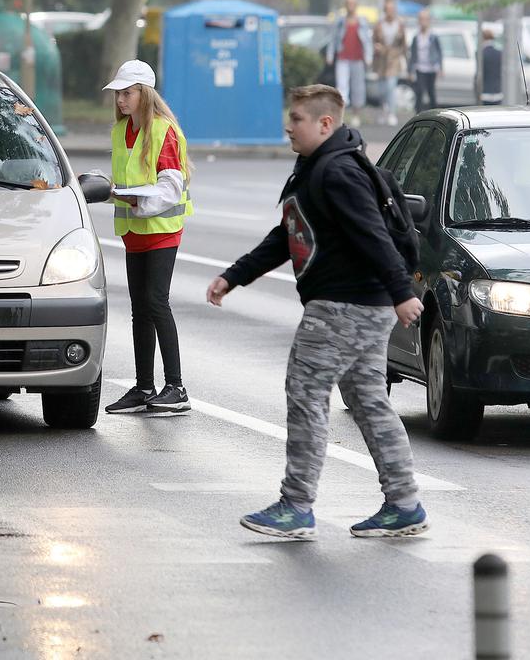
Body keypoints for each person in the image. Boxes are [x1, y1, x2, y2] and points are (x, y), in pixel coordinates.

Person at [205, 84, 427, 541]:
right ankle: (404, 504)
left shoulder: (338, 173)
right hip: (361, 305)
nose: (288, 126)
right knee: (368, 400)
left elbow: (372, 234)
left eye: (298, 119)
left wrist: (402, 292)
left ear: (325, 124)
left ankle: (296, 506)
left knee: (305, 392)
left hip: (345, 306)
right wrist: (235, 275)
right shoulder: (316, 169)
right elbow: (286, 234)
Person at [100, 59, 194, 415]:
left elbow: (171, 187)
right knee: (141, 310)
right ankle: (143, 388)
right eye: (118, 93)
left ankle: (176, 387)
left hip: (161, 230)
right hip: (134, 233)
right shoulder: (120, 131)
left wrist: (134, 199)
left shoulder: (161, 130)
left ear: (145, 94)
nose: (121, 100)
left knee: (156, 302)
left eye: (127, 92)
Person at [327, 0, 372, 123]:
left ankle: (356, 115)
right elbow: (333, 38)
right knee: (342, 87)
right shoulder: (340, 21)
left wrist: (368, 56)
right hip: (343, 58)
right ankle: (341, 116)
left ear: (356, 5)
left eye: (353, 3)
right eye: (348, 3)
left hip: (357, 59)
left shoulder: (362, 21)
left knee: (358, 87)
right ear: (345, 5)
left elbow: (367, 41)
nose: (350, 6)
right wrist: (330, 55)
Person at [371, 0, 409, 125]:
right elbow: (373, 40)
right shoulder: (379, 25)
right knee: (382, 89)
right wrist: (376, 47)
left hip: (394, 59)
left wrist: (405, 60)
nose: (390, 12)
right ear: (384, 10)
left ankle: (392, 113)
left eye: (392, 9)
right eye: (388, 9)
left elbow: (404, 44)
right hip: (381, 61)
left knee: (391, 87)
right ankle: (383, 110)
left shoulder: (400, 25)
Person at [409, 8, 443, 112]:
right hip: (420, 68)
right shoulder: (416, 37)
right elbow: (413, 54)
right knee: (419, 91)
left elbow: (439, 52)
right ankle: (418, 114)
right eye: (421, 19)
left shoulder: (433, 36)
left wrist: (440, 67)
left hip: (431, 68)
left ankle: (434, 115)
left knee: (431, 92)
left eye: (425, 19)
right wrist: (410, 70)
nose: (423, 22)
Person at [480, 27, 504, 106]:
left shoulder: (480, 54)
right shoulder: (499, 53)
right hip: (497, 92)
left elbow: (479, 74)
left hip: (484, 92)